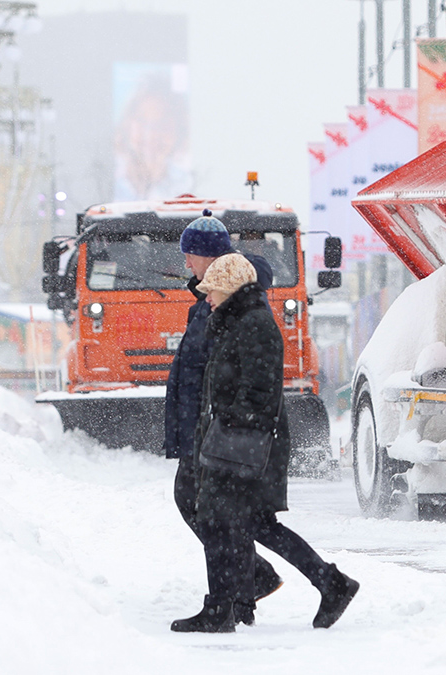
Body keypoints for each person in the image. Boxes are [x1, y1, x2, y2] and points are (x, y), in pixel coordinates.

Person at [171, 253, 359, 633]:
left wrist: (229, 430)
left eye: (213, 291)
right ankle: (326, 583)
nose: (207, 298)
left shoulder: (253, 324)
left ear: (230, 291)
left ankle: (223, 608)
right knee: (246, 523)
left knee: (222, 519)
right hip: (240, 441)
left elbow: (258, 390)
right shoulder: (237, 320)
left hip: (247, 445)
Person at [164, 211, 282, 609]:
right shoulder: (206, 299)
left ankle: (242, 590)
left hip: (215, 426)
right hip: (203, 423)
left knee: (210, 509)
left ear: (210, 259)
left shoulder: (227, 303)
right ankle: (247, 586)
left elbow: (221, 370)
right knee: (206, 508)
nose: (186, 263)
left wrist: (219, 421)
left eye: (190, 255)